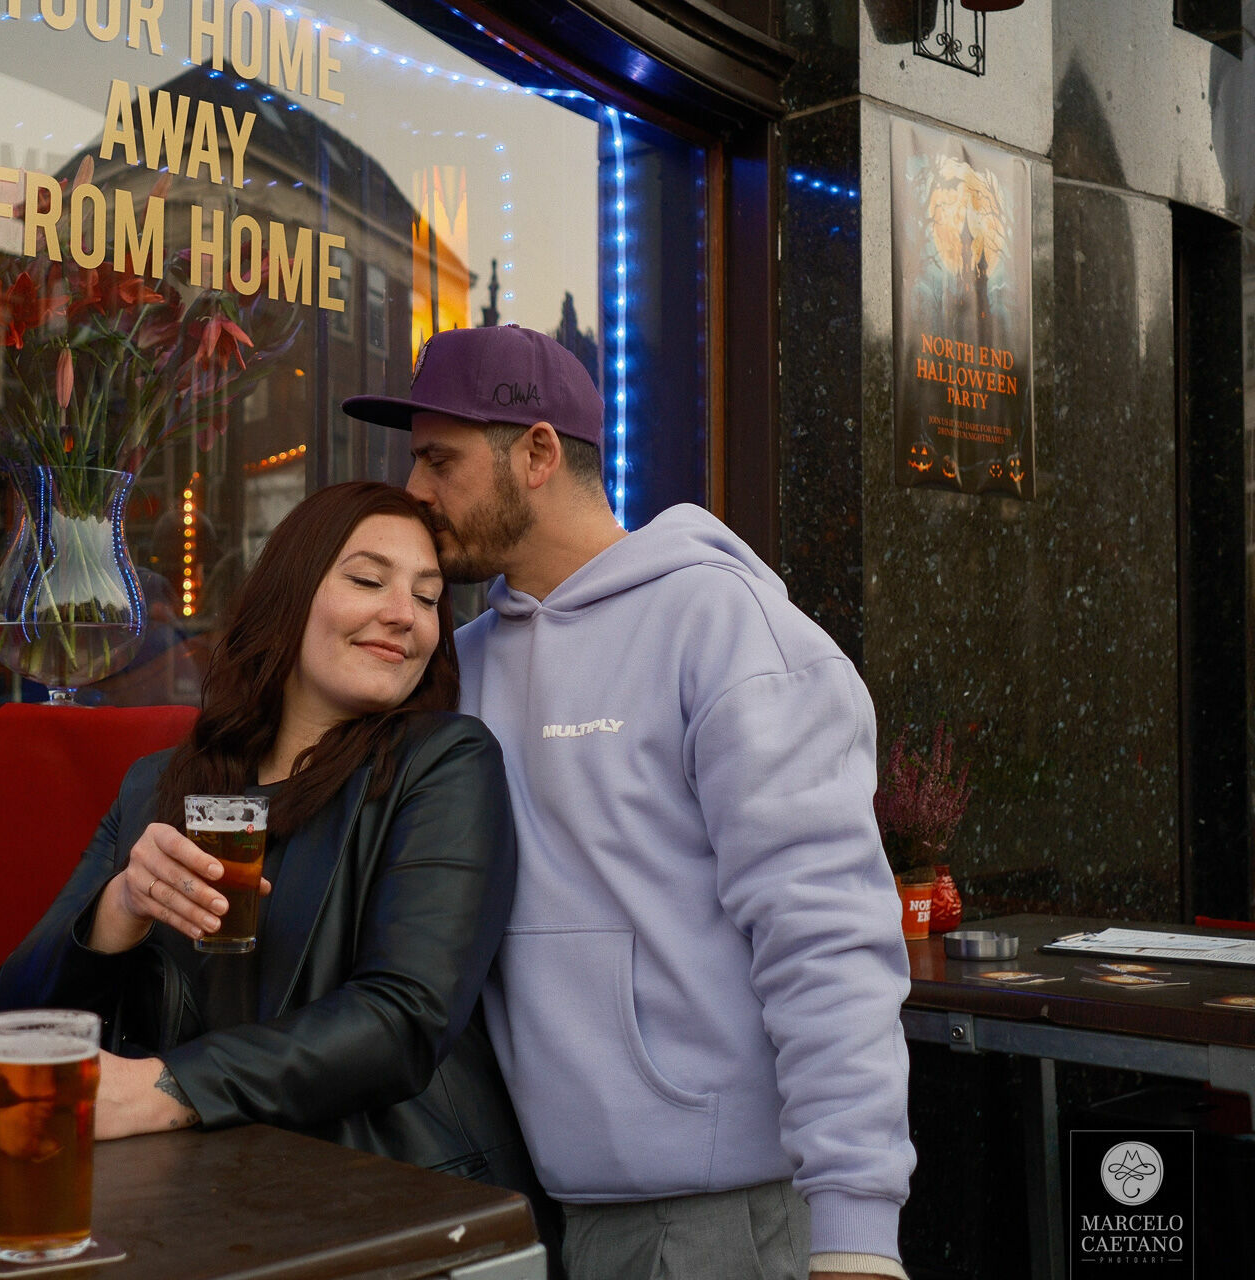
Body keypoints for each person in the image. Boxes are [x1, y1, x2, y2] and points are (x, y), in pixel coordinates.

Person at [341, 325, 913, 1280]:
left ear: (536, 452)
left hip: (718, 1219)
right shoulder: (460, 664)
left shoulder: (722, 627)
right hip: (548, 1207)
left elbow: (826, 934)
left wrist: (857, 1234)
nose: (417, 490)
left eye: (440, 459)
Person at [0, 480, 555, 1250]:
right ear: (290, 593)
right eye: (367, 580)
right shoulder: (162, 783)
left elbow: (403, 1017)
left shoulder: (443, 765)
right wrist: (120, 906)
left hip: (394, 1208)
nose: (406, 614)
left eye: (428, 599)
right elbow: (23, 1014)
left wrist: (169, 1087)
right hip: (198, 1211)